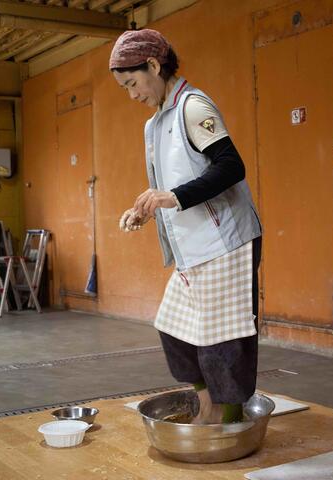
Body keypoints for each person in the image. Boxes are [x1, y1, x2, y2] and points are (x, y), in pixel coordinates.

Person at [110, 29, 263, 424]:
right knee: (175, 330)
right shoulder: (156, 123)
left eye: (133, 83)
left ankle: (228, 420)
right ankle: (208, 403)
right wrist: (149, 207)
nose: (132, 95)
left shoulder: (193, 107)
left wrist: (172, 197)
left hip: (226, 242)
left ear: (155, 66)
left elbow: (231, 167)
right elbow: (176, 185)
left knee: (220, 340)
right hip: (191, 249)